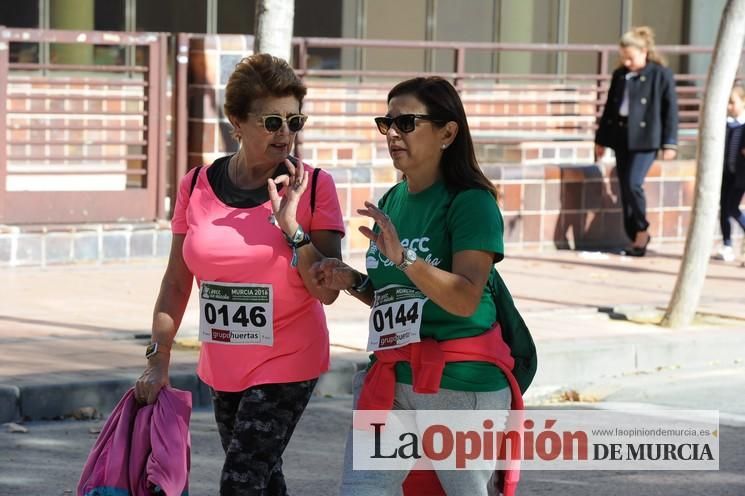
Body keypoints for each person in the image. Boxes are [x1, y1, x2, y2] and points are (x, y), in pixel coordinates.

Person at [134, 53, 344, 496]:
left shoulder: (314, 187)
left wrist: (293, 229)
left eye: (294, 120)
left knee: (239, 483)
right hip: (224, 362)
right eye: (272, 121)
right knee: (263, 482)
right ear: (237, 121)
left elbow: (326, 294)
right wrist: (158, 360)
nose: (285, 133)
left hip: (289, 357)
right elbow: (176, 282)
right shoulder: (196, 185)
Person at [310, 77, 529, 496]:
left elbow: (464, 297)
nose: (393, 133)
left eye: (407, 122)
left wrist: (406, 259)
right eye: (387, 122)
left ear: (448, 132)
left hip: (459, 383)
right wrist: (354, 281)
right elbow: (398, 297)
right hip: (392, 377)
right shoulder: (391, 201)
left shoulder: (471, 202)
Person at [595, 26, 679, 256]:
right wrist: (600, 140)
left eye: (630, 57)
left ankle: (642, 230)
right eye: (623, 58)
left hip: (646, 139)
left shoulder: (660, 74)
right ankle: (633, 237)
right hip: (622, 137)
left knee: (633, 183)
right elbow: (610, 110)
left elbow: (670, 110)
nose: (627, 62)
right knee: (625, 187)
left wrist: (670, 142)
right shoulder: (620, 75)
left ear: (644, 51)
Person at [714, 85, 745, 262]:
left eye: (732, 102)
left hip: (741, 175)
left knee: (732, 207)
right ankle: (727, 244)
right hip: (727, 173)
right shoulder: (725, 124)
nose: (729, 106)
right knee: (724, 209)